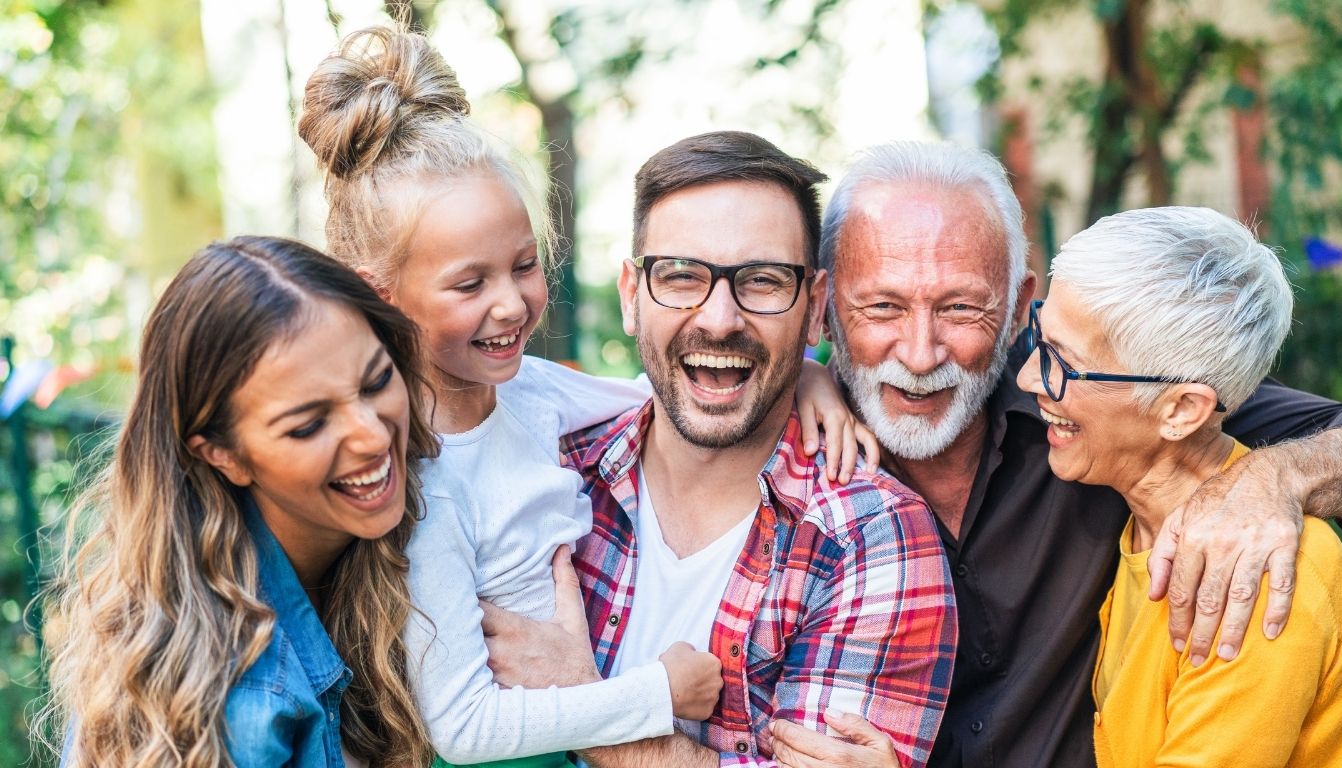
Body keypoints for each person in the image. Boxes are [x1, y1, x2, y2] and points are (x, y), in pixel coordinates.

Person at [297, 28, 871, 767]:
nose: (510, 305)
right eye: (470, 285)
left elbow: (672, 389)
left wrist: (810, 371)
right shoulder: (421, 479)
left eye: (524, 266)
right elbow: (463, 726)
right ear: (383, 299)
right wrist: (654, 693)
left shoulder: (531, 395)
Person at [769, 141, 1342, 768]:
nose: (921, 354)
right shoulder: (776, 461)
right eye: (882, 307)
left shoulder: (1118, 403)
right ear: (824, 308)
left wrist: (1275, 474)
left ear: (1017, 303)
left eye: (961, 307)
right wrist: (805, 375)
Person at [481, 131, 958, 768]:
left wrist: (579, 702)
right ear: (631, 295)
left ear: (815, 310)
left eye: (762, 281)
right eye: (681, 277)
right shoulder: (545, 468)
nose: (719, 318)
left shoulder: (870, 537)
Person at [42, 236, 438, 767]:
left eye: (377, 381)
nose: (371, 435)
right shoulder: (240, 705)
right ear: (224, 455)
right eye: (309, 425)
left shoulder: (408, 515)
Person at [1017, 206, 1342, 766]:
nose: (1028, 377)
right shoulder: (1143, 519)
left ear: (1181, 409)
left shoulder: (1256, 576)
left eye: (1063, 362)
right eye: (1040, 336)